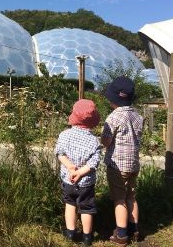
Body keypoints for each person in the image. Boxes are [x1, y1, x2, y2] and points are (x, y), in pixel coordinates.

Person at [101, 76, 143, 246]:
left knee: (119, 199)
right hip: (133, 164)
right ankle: (134, 230)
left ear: (114, 99)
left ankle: (121, 234)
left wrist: (102, 140)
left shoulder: (113, 118)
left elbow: (106, 141)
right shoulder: (138, 116)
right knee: (131, 196)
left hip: (117, 166)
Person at [54, 99, 101, 246]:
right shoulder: (94, 141)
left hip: (68, 180)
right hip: (86, 183)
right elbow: (94, 163)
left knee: (70, 204)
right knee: (87, 208)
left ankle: (70, 233)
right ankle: (87, 237)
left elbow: (60, 154)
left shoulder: (65, 135)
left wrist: (71, 168)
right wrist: (80, 172)